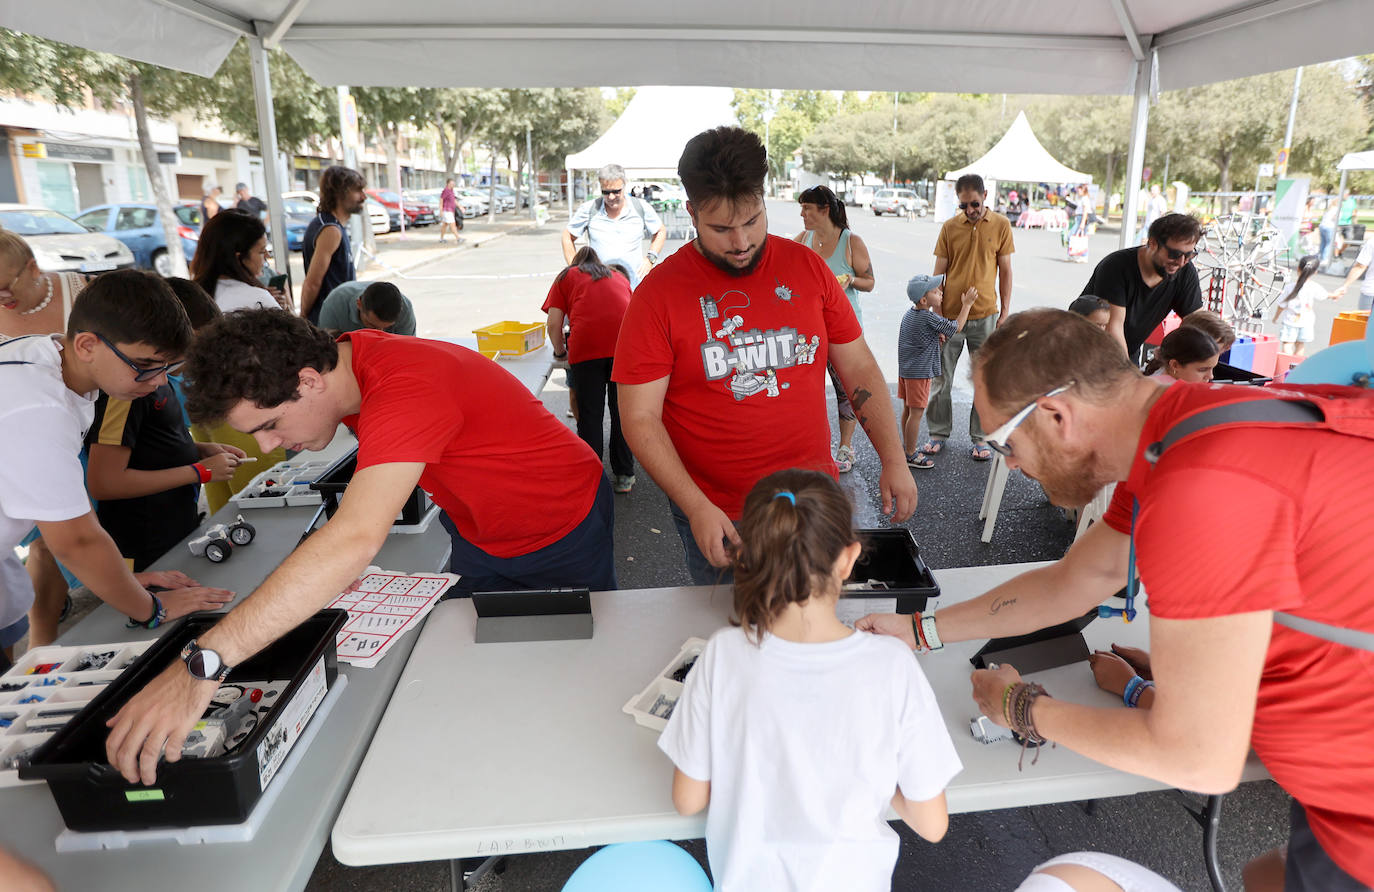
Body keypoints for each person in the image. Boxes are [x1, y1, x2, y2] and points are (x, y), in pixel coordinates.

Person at [858, 308, 1374, 892]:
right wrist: (922, 630)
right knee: (1264, 876)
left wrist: (1022, 708)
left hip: (1359, 826)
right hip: (1336, 799)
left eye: (1003, 442)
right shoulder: (1181, 430)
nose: (1012, 464)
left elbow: (1198, 758)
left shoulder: (1200, 486)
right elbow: (1076, 580)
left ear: (1055, 415)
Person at [105, 308, 616, 784]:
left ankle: (571, 784)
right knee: (470, 660)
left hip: (560, 522)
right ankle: (498, 767)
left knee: (567, 669)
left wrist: (204, 662)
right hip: (479, 528)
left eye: (269, 425)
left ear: (308, 380)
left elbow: (354, 540)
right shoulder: (347, 359)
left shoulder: (406, 386)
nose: (266, 447)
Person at [614, 126, 917, 586]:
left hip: (812, 503)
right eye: (720, 228)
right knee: (738, 635)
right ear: (691, 212)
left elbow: (858, 368)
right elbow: (639, 418)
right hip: (720, 513)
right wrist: (695, 505)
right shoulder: (656, 297)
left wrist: (893, 457)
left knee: (816, 629)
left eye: (753, 220)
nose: (740, 242)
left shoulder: (808, 268)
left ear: (764, 200)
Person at [658, 468, 960, 891]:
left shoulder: (722, 654)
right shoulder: (893, 665)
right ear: (848, 558)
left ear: (749, 555)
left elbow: (687, 800)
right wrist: (880, 777)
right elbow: (932, 824)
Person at [0, 270, 234, 671]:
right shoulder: (39, 408)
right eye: (145, 365)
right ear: (88, 344)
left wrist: (122, 585)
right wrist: (152, 609)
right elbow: (76, 541)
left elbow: (72, 509)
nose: (158, 381)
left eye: (167, 368)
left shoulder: (50, 356)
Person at [84, 280, 246, 571]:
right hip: (143, 542)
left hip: (174, 526)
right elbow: (104, 482)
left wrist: (197, 449)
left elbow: (146, 444)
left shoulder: (160, 379)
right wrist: (197, 471)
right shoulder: (127, 391)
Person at [0, 231, 92, 646]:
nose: (2, 298)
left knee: (79, 535)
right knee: (46, 543)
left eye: (6, 287)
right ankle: (41, 641)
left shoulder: (77, 289)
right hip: (26, 438)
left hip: (90, 425)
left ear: (33, 267)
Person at [926, 173, 1015, 462]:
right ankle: (938, 433)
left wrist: (1005, 311)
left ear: (985, 195)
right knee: (941, 378)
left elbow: (1006, 271)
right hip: (951, 315)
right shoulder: (950, 227)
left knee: (984, 380)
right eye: (964, 206)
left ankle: (980, 439)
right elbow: (938, 272)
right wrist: (936, 312)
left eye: (974, 204)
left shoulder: (1001, 225)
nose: (970, 211)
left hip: (986, 315)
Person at [794, 185, 876, 473]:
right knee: (808, 390)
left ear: (824, 210)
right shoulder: (803, 240)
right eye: (801, 207)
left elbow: (869, 281)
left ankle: (845, 446)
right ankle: (813, 446)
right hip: (810, 330)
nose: (802, 213)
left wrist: (850, 281)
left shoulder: (851, 242)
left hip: (843, 331)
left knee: (846, 391)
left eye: (807, 208)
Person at [543, 247, 636, 493]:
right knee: (621, 415)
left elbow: (553, 324)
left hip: (586, 347)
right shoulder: (618, 276)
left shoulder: (567, 275)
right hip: (625, 347)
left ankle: (593, 477)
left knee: (590, 415)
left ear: (576, 264)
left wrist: (560, 352)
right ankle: (624, 475)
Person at [1082, 213, 1203, 363]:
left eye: (1189, 254)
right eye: (1174, 254)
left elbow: (1197, 323)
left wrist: (1173, 353)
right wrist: (1131, 377)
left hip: (1127, 351)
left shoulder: (1185, 271)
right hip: (1087, 352)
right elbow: (1113, 327)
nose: (1181, 261)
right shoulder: (1116, 266)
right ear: (1152, 243)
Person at [899, 274, 976, 469]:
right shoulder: (928, 316)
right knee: (916, 413)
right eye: (935, 291)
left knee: (908, 410)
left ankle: (905, 448)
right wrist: (966, 304)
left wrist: (935, 336)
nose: (940, 292)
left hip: (906, 371)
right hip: (920, 373)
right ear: (924, 300)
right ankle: (910, 454)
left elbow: (918, 337)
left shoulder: (910, 314)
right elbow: (956, 327)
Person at [563, 163, 667, 289]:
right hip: (598, 289)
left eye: (616, 191)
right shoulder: (589, 209)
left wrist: (650, 258)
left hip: (633, 289)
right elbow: (567, 236)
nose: (611, 197)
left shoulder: (641, 208)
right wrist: (576, 271)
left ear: (624, 184)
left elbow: (660, 231)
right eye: (606, 192)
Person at [301, 165, 366, 325]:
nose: (363, 196)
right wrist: (303, 317)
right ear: (339, 193)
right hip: (330, 324)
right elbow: (312, 283)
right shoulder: (331, 230)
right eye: (357, 190)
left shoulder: (329, 225)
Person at [190, 210, 288, 314]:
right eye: (261, 251)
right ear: (238, 258)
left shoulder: (192, 297)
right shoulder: (258, 300)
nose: (267, 255)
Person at [1272, 254, 1332, 356]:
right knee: (1300, 345)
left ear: (1298, 269)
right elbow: (1325, 295)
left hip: (1290, 321)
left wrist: (1276, 317)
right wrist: (1335, 295)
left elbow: (1281, 306)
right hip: (1306, 322)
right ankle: (1295, 367)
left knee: (1287, 344)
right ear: (1315, 272)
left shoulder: (1289, 287)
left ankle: (1285, 365)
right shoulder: (1314, 287)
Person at [317, 280, 417, 336]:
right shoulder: (335, 305)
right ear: (359, 304)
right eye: (372, 325)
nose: (379, 333)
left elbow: (407, 352)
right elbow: (326, 351)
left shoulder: (405, 309)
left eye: (386, 328)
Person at [1141, 327, 1219, 384]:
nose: (1211, 376)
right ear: (1175, 365)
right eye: (1203, 369)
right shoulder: (1162, 393)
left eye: (1212, 368)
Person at [1331, 235, 1374, 312]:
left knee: (1365, 323)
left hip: (1370, 293)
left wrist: (1345, 286)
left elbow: (1360, 267)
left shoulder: (1372, 241)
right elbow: (1360, 267)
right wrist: (1345, 286)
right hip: (1370, 293)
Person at [1065, 184, 1093, 264]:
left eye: (1079, 190)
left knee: (1074, 236)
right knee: (1078, 237)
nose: (1078, 191)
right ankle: (1073, 254)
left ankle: (1083, 256)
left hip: (1081, 219)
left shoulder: (1085, 199)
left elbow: (1085, 211)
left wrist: (1082, 223)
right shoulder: (1083, 199)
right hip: (1079, 218)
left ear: (1083, 190)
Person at [438, 178, 462, 244]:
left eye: (453, 184)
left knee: (445, 225)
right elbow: (441, 200)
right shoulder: (446, 191)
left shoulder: (451, 191)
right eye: (451, 184)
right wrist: (441, 210)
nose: (453, 185)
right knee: (452, 225)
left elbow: (454, 200)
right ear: (448, 184)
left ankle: (441, 238)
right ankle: (458, 238)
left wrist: (460, 206)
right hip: (447, 210)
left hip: (450, 210)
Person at [1319, 197, 1340, 270]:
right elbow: (1335, 218)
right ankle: (1325, 259)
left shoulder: (1329, 208)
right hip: (1329, 227)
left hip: (1322, 226)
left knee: (1323, 243)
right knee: (1329, 243)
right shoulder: (1337, 209)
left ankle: (1321, 257)